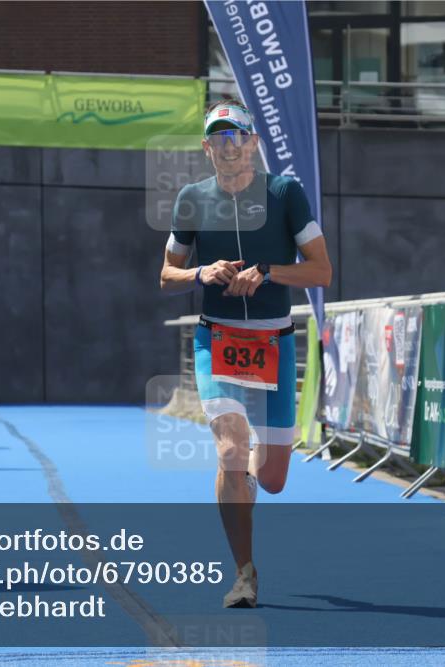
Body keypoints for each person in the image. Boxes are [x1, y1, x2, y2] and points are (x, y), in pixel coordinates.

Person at [159, 99, 332, 608]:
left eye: (237, 136)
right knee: (230, 452)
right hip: (217, 341)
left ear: (253, 143)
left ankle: (247, 481)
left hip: (274, 344)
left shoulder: (285, 192)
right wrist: (199, 273)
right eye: (219, 137)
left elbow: (321, 272)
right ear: (206, 147)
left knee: (272, 479)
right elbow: (165, 276)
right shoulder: (191, 199)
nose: (228, 146)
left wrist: (271, 271)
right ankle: (244, 574)